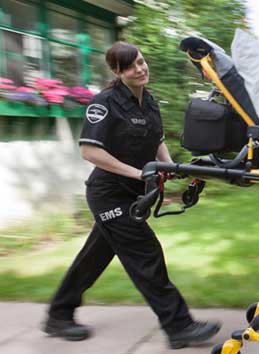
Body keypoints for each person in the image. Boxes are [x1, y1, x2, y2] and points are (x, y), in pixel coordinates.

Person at [42, 42, 220, 349]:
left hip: (133, 193)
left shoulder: (149, 102)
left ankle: (58, 315)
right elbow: (89, 150)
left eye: (140, 62)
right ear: (117, 72)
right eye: (130, 66)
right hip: (109, 194)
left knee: (93, 258)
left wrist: (168, 168)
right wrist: (138, 173)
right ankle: (179, 327)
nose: (140, 69)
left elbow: (157, 141)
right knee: (145, 254)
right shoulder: (104, 102)